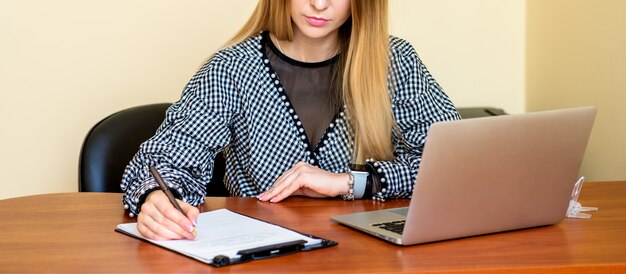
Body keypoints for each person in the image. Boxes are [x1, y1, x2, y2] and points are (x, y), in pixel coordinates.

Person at [121, 0, 460, 240]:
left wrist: (350, 182)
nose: (319, 4)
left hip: (369, 258)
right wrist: (156, 199)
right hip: (259, 258)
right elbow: (165, 159)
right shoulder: (231, 68)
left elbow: (455, 165)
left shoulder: (395, 62)